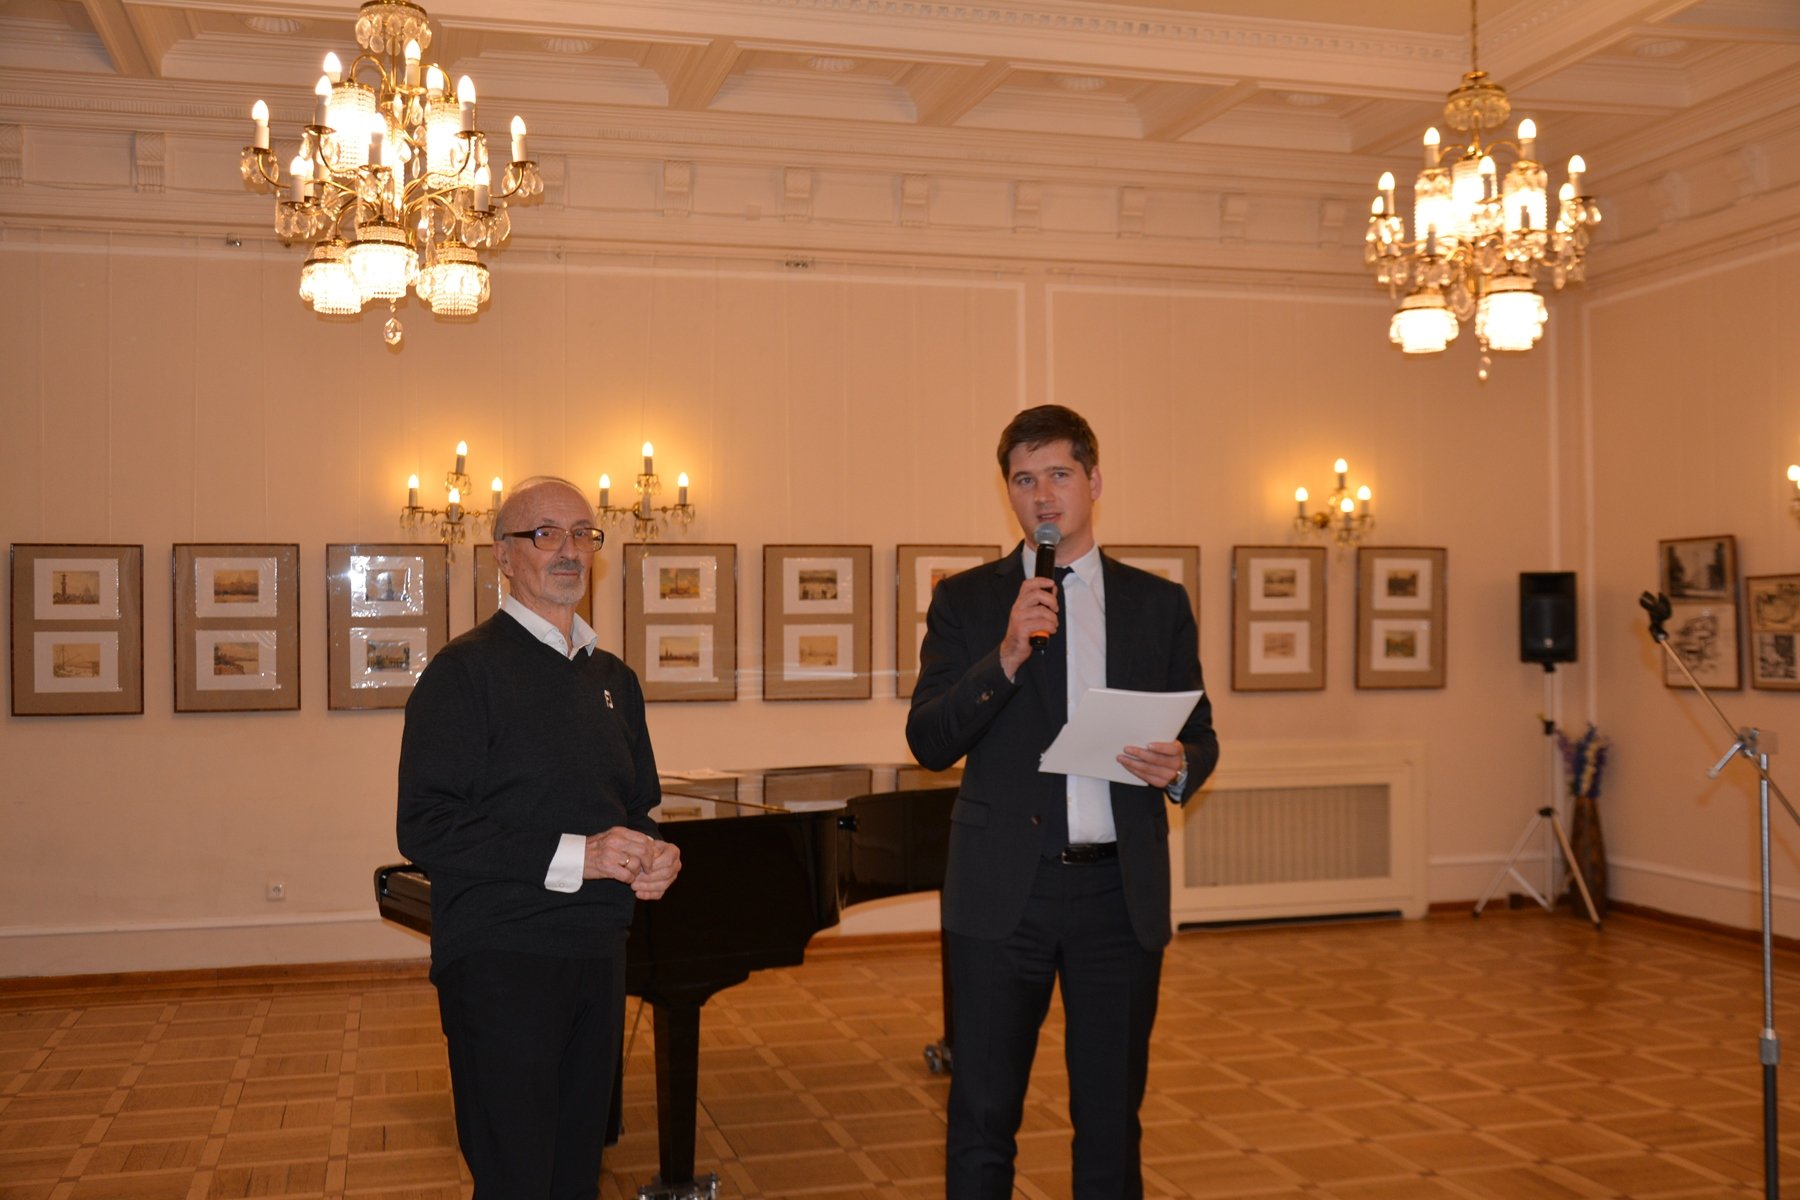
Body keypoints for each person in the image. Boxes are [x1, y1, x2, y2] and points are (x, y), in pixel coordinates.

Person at [906, 405, 1218, 1199]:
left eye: (1058, 475)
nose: (1042, 495)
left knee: (1111, 1121)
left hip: (1118, 895)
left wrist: (1180, 765)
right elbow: (929, 740)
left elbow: (1201, 735)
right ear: (1007, 493)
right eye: (1023, 480)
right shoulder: (968, 601)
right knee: (982, 1117)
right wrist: (1006, 656)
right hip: (1003, 894)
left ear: (1094, 481)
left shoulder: (1158, 605)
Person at [397, 475, 681, 1200]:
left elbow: (637, 806)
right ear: (503, 555)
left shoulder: (614, 678)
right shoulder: (463, 673)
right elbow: (425, 823)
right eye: (546, 533)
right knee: (516, 1177)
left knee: (577, 1170)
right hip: (501, 957)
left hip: (598, 950)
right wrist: (580, 855)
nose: (569, 550)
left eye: (583, 533)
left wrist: (654, 853)